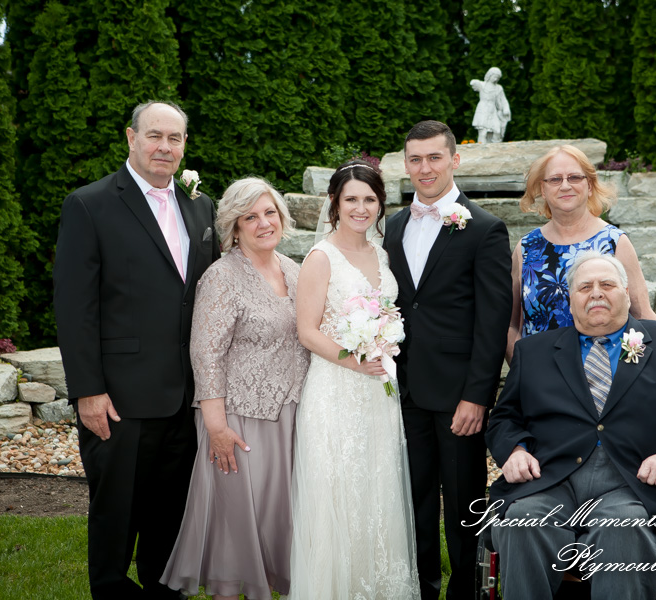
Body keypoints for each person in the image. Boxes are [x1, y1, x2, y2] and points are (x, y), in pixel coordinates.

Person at [486, 252, 656, 600]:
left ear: (627, 294)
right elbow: (505, 418)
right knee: (523, 520)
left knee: (622, 529)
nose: (596, 293)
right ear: (570, 300)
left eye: (607, 284)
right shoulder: (533, 352)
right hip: (552, 479)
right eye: (585, 287)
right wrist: (515, 450)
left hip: (635, 484)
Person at [53, 100, 221, 599]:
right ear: (131, 137)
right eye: (155, 136)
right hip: (121, 398)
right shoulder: (90, 204)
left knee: (171, 511)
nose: (165, 147)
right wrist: (88, 391)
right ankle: (109, 589)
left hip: (184, 394)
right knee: (116, 512)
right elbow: (74, 307)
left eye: (175, 138)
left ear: (185, 145)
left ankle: (165, 590)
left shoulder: (201, 206)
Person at [160, 178, 310, 599]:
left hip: (294, 416)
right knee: (239, 522)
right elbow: (206, 354)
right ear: (235, 227)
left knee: (279, 516)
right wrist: (216, 426)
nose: (264, 223)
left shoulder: (296, 271)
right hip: (240, 421)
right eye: (251, 217)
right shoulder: (222, 277)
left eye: (270, 213)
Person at [383, 121, 512, 600]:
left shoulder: (484, 229)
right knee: (413, 500)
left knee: (463, 503)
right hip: (404, 389)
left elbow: (492, 322)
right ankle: (420, 588)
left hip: (459, 394)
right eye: (415, 159)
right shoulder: (393, 226)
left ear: (455, 160)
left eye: (434, 158)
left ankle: (467, 591)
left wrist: (477, 395)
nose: (424, 168)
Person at [289, 160, 420, 599]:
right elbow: (306, 330)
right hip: (335, 389)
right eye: (351, 199)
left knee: (376, 493)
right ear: (335, 203)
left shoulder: (381, 255)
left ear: (380, 204)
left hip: (376, 392)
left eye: (370, 199)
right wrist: (353, 358)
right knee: (338, 498)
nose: (361, 208)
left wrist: (382, 346)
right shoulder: (321, 257)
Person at [507, 144, 656, 363]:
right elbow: (512, 324)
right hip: (543, 381)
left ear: (589, 186)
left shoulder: (615, 242)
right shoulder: (526, 249)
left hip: (607, 377)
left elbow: (643, 315)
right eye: (555, 179)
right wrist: (524, 372)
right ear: (543, 188)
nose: (565, 185)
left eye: (575, 178)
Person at [470, 67, 511, 143]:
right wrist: (476, 83)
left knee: (497, 131)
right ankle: (481, 150)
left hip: (493, 111)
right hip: (483, 109)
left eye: (498, 78)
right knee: (483, 132)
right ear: (489, 75)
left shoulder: (498, 88)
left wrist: (506, 109)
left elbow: (503, 100)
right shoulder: (482, 85)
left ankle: (494, 149)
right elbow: (473, 82)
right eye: (494, 76)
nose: (496, 79)